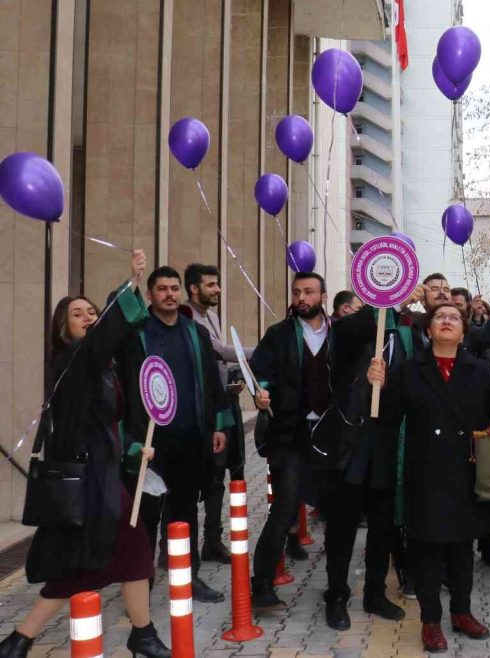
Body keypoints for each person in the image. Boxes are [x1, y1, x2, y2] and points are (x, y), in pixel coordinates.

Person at [0, 252, 171, 658]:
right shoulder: (73, 360)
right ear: (64, 329)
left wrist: (135, 448)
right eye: (78, 314)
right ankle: (140, 635)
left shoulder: (99, 367)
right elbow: (103, 339)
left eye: (93, 311)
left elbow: (106, 425)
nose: (89, 317)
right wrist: (131, 284)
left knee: (109, 558)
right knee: (112, 556)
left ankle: (20, 641)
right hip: (89, 482)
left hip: (102, 476)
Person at [366, 304, 490, 653]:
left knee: (462, 549)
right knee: (426, 550)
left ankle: (462, 613)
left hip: (467, 470)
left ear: (464, 331)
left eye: (454, 317)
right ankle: (431, 621)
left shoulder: (480, 370)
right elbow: (387, 418)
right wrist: (379, 386)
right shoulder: (409, 370)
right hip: (425, 471)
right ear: (429, 329)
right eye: (439, 317)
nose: (447, 321)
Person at [118, 266, 232, 604]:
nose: (169, 294)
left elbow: (212, 381)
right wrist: (132, 278)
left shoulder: (195, 333)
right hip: (150, 442)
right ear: (149, 295)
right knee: (147, 515)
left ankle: (188, 576)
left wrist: (218, 425)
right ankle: (141, 583)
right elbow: (126, 385)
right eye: (162, 289)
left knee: (185, 513)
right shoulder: (137, 334)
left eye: (174, 288)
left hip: (190, 437)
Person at [248, 272, 352, 618]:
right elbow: (259, 373)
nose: (302, 298)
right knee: (283, 510)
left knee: (337, 514)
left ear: (323, 296)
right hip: (291, 435)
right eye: (297, 292)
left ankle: (337, 590)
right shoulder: (278, 334)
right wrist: (261, 393)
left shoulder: (341, 333)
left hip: (331, 436)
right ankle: (262, 584)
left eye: (309, 292)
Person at [183, 263, 247, 565]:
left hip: (221, 404)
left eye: (217, 284)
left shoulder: (212, 315)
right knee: (197, 480)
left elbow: (217, 363)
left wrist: (231, 379)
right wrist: (260, 353)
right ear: (194, 288)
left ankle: (213, 539)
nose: (217, 289)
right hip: (198, 412)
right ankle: (176, 547)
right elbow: (219, 350)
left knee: (219, 477)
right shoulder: (187, 317)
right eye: (211, 285)